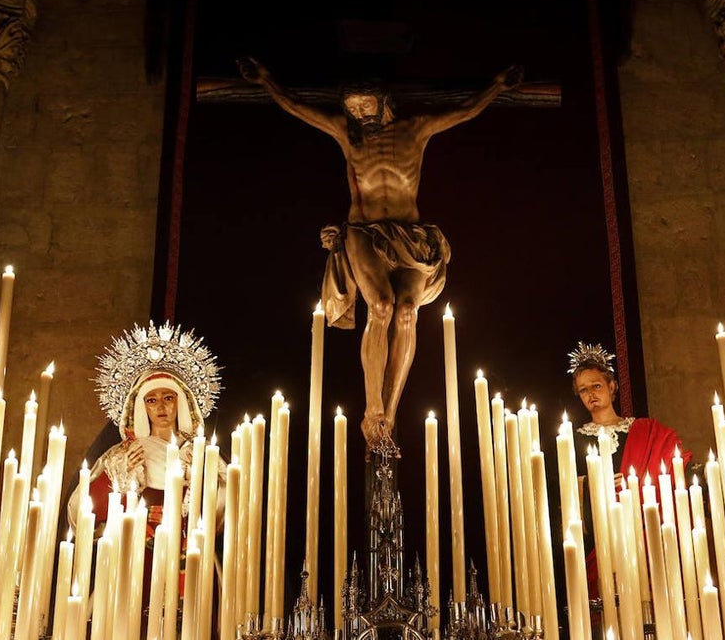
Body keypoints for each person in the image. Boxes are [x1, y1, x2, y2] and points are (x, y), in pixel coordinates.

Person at [238, 57, 522, 446]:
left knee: (408, 312)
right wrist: (267, 80)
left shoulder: (415, 130)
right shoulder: (347, 135)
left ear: (384, 101)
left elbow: (465, 110)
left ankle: (390, 411)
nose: (358, 114)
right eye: (352, 108)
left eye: (364, 105)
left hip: (410, 236)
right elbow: (298, 107)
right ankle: (373, 407)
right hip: (364, 232)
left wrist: (498, 85)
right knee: (382, 307)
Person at [70, 321, 225, 570]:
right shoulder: (121, 456)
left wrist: (203, 478)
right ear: (141, 407)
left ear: (181, 402)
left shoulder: (202, 454)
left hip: (189, 555)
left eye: (168, 398)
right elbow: (82, 512)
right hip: (135, 558)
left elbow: (227, 511)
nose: (161, 407)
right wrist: (119, 481)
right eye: (151, 400)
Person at [567, 342, 693, 587]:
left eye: (596, 386)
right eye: (583, 390)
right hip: (601, 538)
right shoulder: (573, 439)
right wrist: (592, 484)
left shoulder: (645, 430)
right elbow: (561, 490)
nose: (591, 394)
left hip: (643, 533)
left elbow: (673, 464)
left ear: (611, 386)